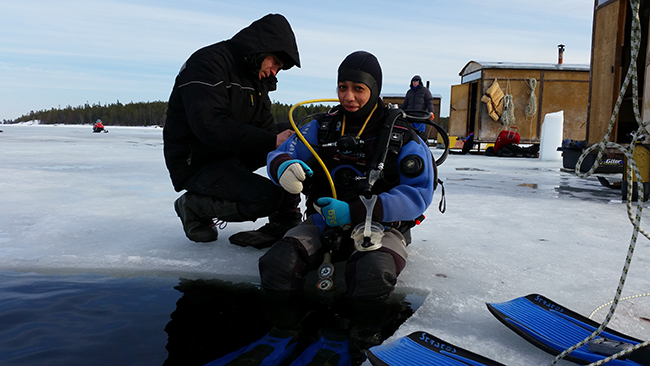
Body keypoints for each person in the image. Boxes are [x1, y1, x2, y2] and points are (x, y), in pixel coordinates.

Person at [212, 51, 436, 365]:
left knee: (372, 274)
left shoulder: (401, 137)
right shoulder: (323, 127)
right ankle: (286, 328)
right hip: (322, 222)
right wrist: (283, 168)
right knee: (277, 264)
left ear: (375, 89)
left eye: (358, 89)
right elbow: (282, 154)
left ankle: (363, 334)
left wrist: (357, 212)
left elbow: (417, 195)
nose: (349, 96)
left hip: (380, 226)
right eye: (342, 87)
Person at [163, 14, 302, 247]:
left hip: (230, 153)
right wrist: (270, 141)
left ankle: (285, 220)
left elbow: (265, 127)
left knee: (298, 136)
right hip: (197, 161)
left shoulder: (255, 78)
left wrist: (284, 142)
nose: (275, 72)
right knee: (266, 198)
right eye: (275, 63)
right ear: (262, 47)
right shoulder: (207, 63)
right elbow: (210, 126)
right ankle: (194, 207)